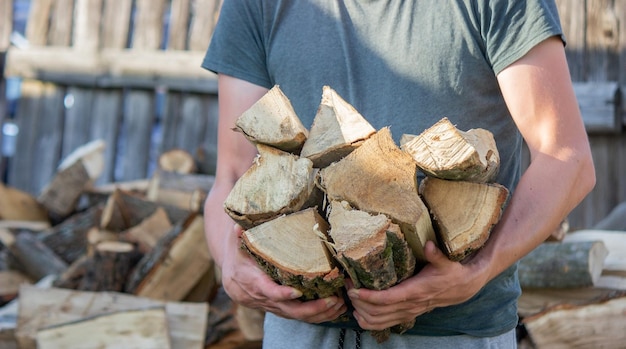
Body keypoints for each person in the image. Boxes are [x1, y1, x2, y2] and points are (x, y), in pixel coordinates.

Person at [201, 1, 596, 348]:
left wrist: (477, 271)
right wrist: (229, 265)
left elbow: (568, 159)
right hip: (298, 332)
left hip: (454, 335)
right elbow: (234, 173)